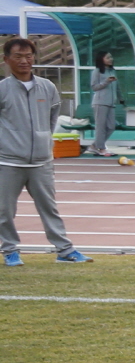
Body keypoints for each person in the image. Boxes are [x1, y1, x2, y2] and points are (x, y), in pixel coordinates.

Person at [2, 36, 86, 266]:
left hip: (41, 161)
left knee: (49, 208)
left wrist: (42, 141)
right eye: (18, 56)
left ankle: (64, 250)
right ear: (6, 60)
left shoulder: (47, 87)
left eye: (28, 56)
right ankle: (9, 251)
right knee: (4, 211)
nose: (24, 61)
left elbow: (51, 118)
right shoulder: (2, 89)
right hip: (8, 162)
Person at [88, 48, 119, 158]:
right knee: (100, 126)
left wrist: (120, 98)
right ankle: (101, 148)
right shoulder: (97, 72)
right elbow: (94, 87)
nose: (111, 59)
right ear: (101, 59)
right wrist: (106, 81)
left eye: (111, 57)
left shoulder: (112, 71)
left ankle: (94, 145)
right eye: (108, 57)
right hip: (100, 102)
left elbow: (117, 87)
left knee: (111, 126)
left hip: (111, 103)